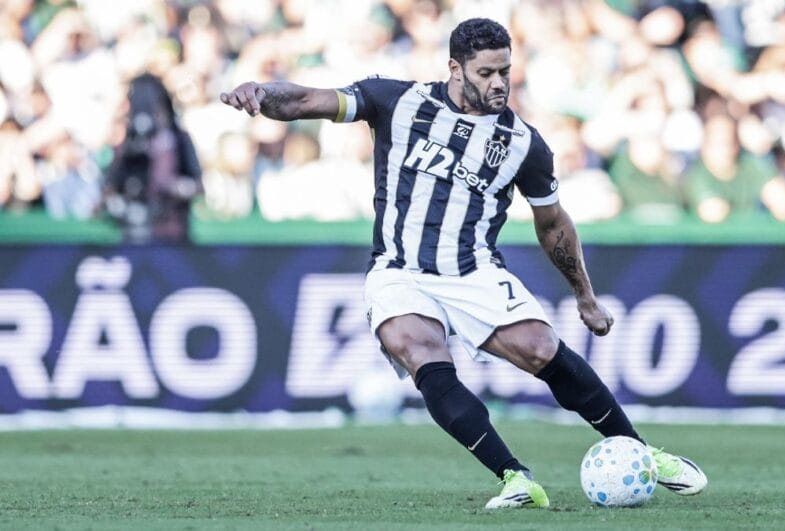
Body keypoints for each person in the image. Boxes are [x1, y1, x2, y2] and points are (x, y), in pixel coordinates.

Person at [220, 18, 707, 509]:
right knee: (418, 348)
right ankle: (515, 477)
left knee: (540, 348)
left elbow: (553, 223)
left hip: (474, 270)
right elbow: (306, 100)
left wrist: (585, 295)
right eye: (485, 73)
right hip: (399, 269)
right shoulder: (396, 101)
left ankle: (643, 452)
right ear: (455, 69)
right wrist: (261, 93)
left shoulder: (523, 143)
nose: (498, 83)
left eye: (505, 71)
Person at [106, 73, 201, 243]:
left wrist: (177, 187)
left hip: (173, 232)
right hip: (134, 231)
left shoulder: (179, 139)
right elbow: (111, 186)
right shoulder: (127, 141)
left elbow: (198, 185)